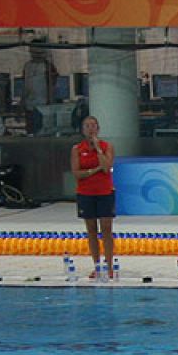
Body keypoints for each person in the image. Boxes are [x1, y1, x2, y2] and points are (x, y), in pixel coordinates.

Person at [70, 115, 117, 280]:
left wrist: (97, 149)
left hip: (104, 192)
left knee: (106, 230)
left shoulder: (106, 146)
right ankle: (97, 266)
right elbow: (76, 173)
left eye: (93, 126)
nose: (91, 129)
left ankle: (109, 266)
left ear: (98, 129)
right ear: (83, 130)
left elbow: (107, 167)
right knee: (91, 231)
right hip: (86, 193)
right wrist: (93, 171)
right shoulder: (77, 149)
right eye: (87, 126)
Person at [21, 41, 57, 135]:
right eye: (33, 53)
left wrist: (51, 106)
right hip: (29, 106)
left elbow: (52, 87)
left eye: (38, 53)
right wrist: (22, 103)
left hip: (42, 107)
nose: (35, 55)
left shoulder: (48, 66)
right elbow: (25, 86)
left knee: (41, 132)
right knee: (30, 132)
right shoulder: (27, 66)